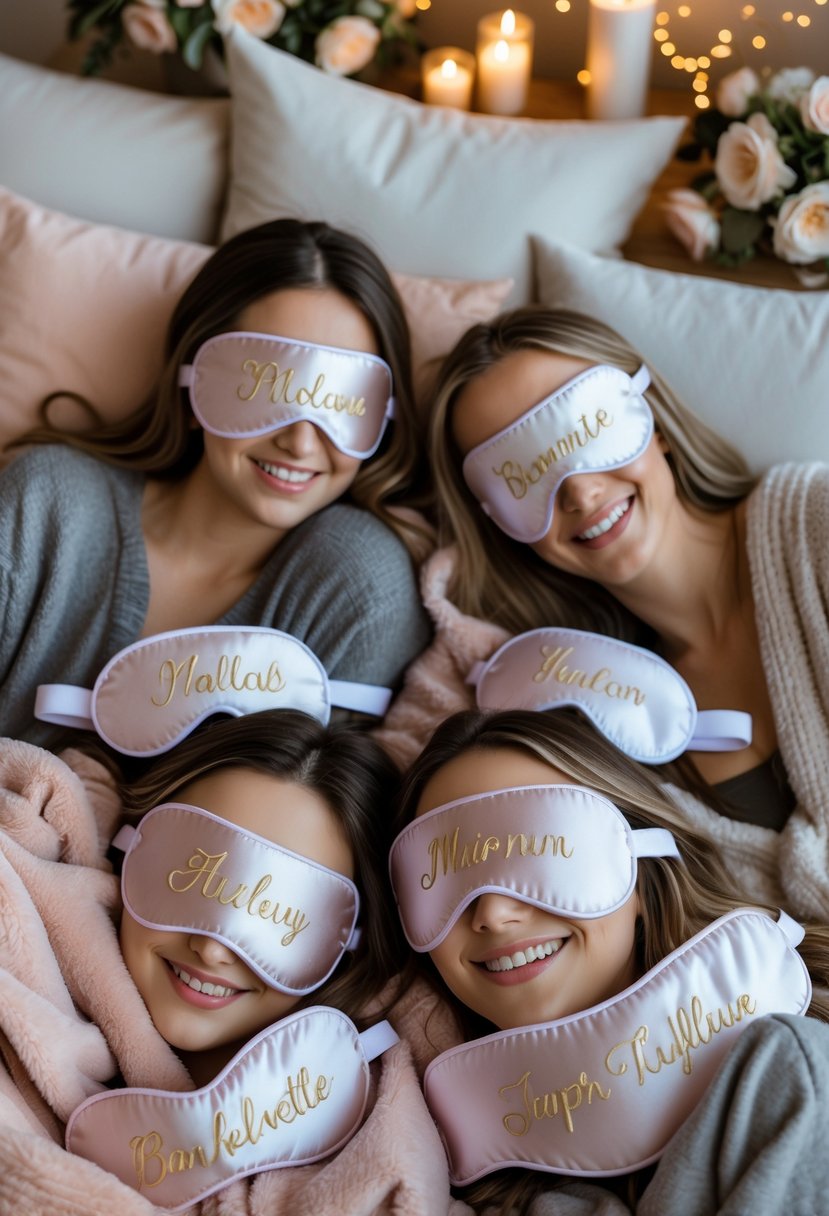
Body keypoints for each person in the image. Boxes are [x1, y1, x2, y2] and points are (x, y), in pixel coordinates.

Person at [380, 304, 829, 919]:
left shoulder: (816, 524)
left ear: (654, 422)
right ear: (497, 522)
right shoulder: (568, 688)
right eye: (523, 475)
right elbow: (403, 775)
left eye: (586, 430)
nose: (579, 492)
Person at [0, 218, 432, 748]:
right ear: (192, 387)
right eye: (265, 388)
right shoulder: (49, 504)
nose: (300, 442)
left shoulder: (360, 586)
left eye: (341, 404)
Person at [0, 707, 446, 1212]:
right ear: (130, 848)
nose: (212, 949)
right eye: (194, 879)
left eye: (282, 918)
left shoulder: (367, 1142)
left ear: (352, 944)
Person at [390, 707, 829, 1215]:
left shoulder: (798, 1066)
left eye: (542, 855)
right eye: (441, 881)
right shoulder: (439, 1179)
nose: (493, 913)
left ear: (640, 875)